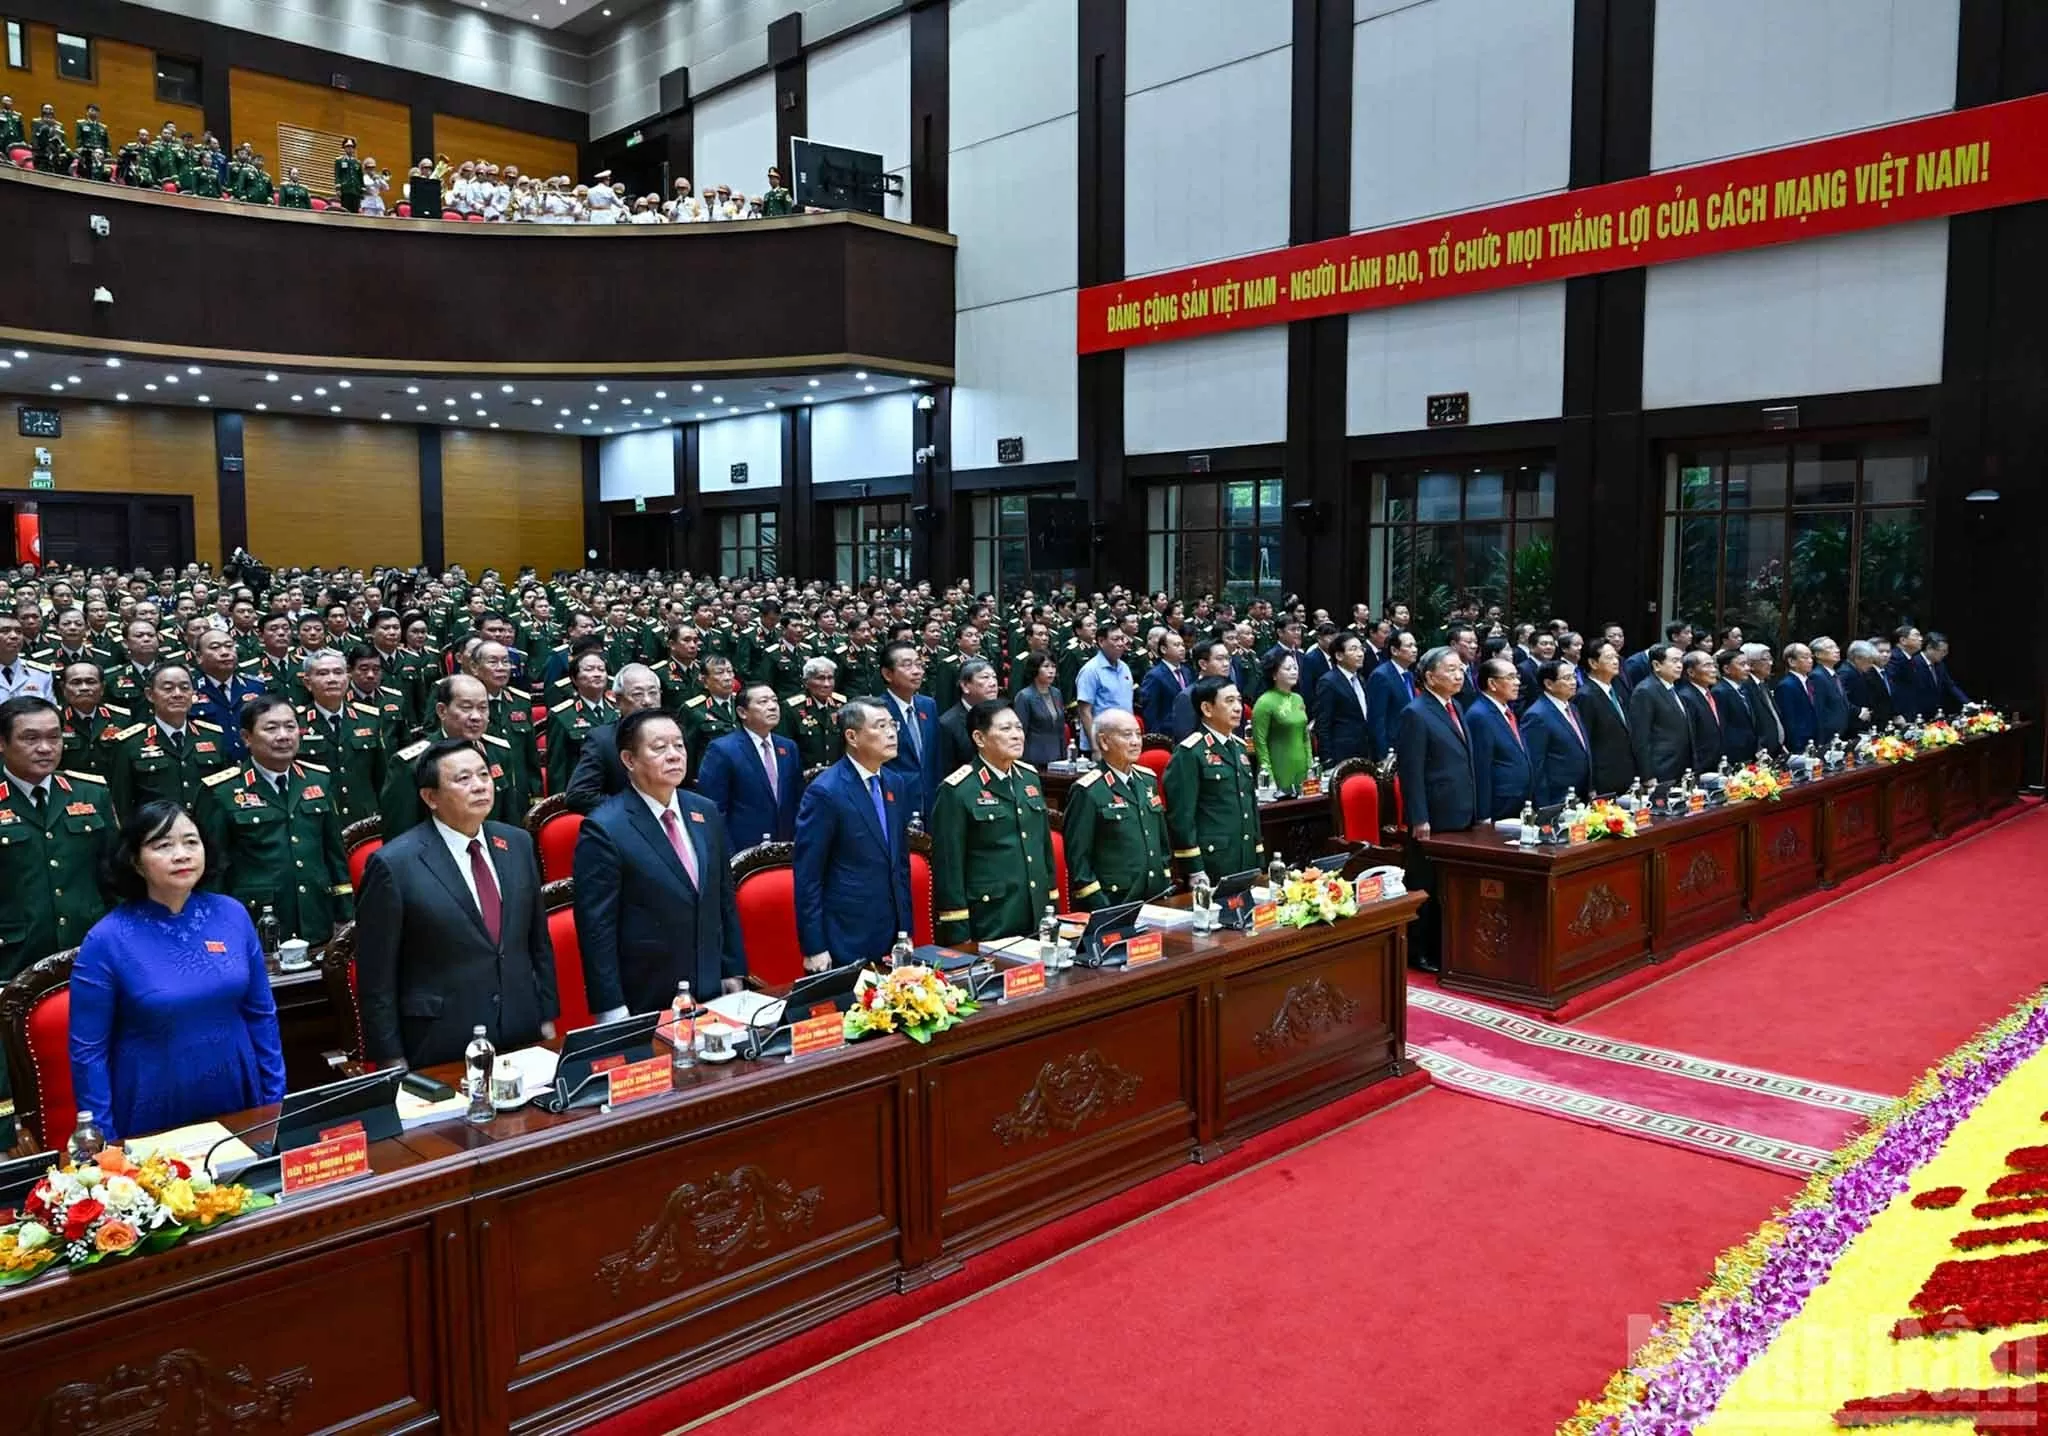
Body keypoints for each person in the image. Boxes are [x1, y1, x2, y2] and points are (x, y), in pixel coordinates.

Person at [68, 801, 285, 1143]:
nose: (181, 854)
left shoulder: (232, 915)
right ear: (136, 861)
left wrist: (274, 1101)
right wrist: (103, 1141)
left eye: (190, 841)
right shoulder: (106, 939)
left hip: (238, 1096)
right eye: (162, 845)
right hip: (152, 1106)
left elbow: (262, 1015)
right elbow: (88, 1053)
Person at [354, 739, 559, 1069]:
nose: (479, 786)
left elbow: (538, 941)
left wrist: (547, 1015)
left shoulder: (517, 843)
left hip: (521, 1026)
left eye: (483, 774)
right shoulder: (394, 864)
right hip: (440, 1039)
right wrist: (391, 1057)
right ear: (430, 797)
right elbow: (376, 973)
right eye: (463, 779)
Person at [573, 708, 747, 1020]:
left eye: (679, 746)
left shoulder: (704, 811)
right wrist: (610, 1007)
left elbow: (723, 899)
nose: (674, 755)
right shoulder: (604, 827)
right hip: (645, 993)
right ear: (629, 760)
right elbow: (596, 927)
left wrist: (732, 968)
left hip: (709, 987)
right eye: (659, 748)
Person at [196, 694, 352, 945]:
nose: (283, 736)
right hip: (257, 920)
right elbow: (213, 869)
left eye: (290, 726)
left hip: (315, 916)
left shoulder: (318, 780)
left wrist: (345, 913)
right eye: (271, 728)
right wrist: (217, 927)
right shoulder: (221, 791)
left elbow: (334, 854)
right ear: (247, 738)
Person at [0, 694, 118, 979]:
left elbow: (115, 874)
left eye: (54, 737)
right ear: (2, 743)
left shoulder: (91, 794)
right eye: (30, 738)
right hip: (13, 956)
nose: (45, 748)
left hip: (87, 949)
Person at [794, 700, 917, 969]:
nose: (891, 733)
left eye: (892, 725)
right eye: (880, 726)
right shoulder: (825, 792)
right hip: (846, 934)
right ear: (852, 736)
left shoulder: (894, 782)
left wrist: (906, 931)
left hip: (891, 932)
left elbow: (900, 862)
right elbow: (808, 876)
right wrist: (814, 946)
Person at [931, 701, 1058, 945]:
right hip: (991, 920)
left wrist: (1052, 905)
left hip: (1037, 915)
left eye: (1019, 728)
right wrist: (959, 935)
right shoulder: (958, 790)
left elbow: (1043, 849)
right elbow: (949, 868)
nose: (1016, 735)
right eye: (1006, 729)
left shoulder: (1029, 778)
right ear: (979, 738)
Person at [1060, 709, 1171, 911]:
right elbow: (1078, 859)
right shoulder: (1089, 790)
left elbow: (1161, 838)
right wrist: (1101, 905)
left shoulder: (1147, 780)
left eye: (1138, 734)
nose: (1136, 741)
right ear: (1104, 741)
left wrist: (1164, 875)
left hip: (1155, 896)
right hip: (1114, 901)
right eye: (1127, 735)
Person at [382, 676, 517, 838]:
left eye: (483, 708)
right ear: (442, 711)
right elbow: (399, 838)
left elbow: (510, 822)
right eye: (466, 708)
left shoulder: (499, 752)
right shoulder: (410, 763)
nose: (476, 716)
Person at [1163, 675, 1261, 882]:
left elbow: (1250, 805)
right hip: (1213, 860)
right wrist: (1194, 868)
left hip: (1245, 855)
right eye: (1229, 701)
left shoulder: (1240, 747)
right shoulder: (1190, 752)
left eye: (1239, 700)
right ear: (1207, 709)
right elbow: (1181, 817)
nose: (1238, 708)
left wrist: (1258, 852)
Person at [109, 665, 232, 815]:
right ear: (150, 695)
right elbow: (123, 804)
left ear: (193, 693)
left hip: (206, 833)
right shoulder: (131, 743)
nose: (178, 694)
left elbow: (225, 794)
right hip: (158, 833)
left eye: (185, 688)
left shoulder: (212, 737)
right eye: (168, 689)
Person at [697, 682, 801, 847]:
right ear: (742, 712)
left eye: (774, 700)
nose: (773, 706)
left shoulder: (788, 747)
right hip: (744, 850)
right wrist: (729, 856)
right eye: (763, 702)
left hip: (786, 846)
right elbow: (714, 810)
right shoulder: (723, 750)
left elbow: (796, 800)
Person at [1392, 646, 1478, 839]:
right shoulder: (1415, 713)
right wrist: (1419, 818)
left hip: (1464, 809)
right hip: (1437, 814)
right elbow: (1411, 771)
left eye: (1460, 669)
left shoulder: (1455, 705)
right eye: (1451, 670)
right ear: (1430, 678)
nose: (1459, 676)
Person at [565, 662, 661, 815]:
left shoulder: (674, 734)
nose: (648, 701)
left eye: (653, 692)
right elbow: (580, 796)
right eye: (637, 694)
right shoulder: (602, 740)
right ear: (617, 701)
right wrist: (636, 807)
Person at [1467, 658, 1533, 821]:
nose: (1517, 682)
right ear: (1492, 683)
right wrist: (1484, 815)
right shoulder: (1479, 715)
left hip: (1519, 800)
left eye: (1517, 676)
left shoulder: (1506, 710)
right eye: (1510, 677)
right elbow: (1480, 767)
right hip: (1499, 804)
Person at [878, 642, 939, 818]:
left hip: (929, 801)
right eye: (907, 665)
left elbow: (934, 757)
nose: (917, 671)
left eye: (919, 664)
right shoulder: (877, 711)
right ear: (887, 674)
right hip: (895, 801)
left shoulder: (928, 705)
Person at [546, 650, 618, 797]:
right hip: (582, 793)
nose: (597, 674)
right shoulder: (563, 715)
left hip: (616, 792)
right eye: (589, 669)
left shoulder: (618, 710)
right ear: (574, 678)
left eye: (601, 669)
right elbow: (557, 769)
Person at [1523, 660, 1592, 807]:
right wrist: (1544, 805)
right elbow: (1536, 765)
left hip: (1580, 793)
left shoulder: (1572, 707)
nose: (1573, 682)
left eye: (1574, 677)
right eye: (1567, 678)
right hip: (1556, 797)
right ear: (1549, 684)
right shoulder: (1537, 715)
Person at [1575, 639, 1635, 796]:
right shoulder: (1586, 695)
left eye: (1616, 657)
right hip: (1602, 779)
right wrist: (1591, 784)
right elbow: (1586, 743)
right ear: (1593, 663)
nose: (1616, 661)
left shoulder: (1616, 689)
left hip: (1623, 773)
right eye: (1609, 658)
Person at [1626, 644, 1693, 784]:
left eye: (1681, 661)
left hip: (1680, 767)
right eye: (1674, 661)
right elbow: (1640, 737)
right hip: (1661, 769)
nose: (1680, 666)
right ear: (1657, 665)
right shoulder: (1645, 691)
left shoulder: (1673, 688)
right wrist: (1647, 775)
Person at [1251, 650, 1310, 790]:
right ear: (1274, 674)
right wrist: (1268, 776)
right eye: (1288, 669)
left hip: (1303, 767)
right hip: (1279, 769)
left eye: (1295, 668)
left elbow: (1305, 737)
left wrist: (1310, 765)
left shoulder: (1298, 699)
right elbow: (1260, 743)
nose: (1294, 672)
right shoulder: (1264, 702)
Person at [1312, 632, 1373, 766]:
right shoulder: (1328, 682)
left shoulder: (1361, 679)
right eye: (1353, 649)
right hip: (1341, 754)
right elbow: (1323, 724)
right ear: (1339, 655)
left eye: (1361, 648)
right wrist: (1327, 759)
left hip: (1364, 750)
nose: (1360, 653)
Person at [1073, 627, 1134, 756]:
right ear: (1101, 641)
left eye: (1122, 639)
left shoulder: (1125, 668)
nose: (1121, 643)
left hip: (1123, 740)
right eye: (1116, 639)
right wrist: (1095, 747)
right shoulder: (1090, 670)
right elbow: (1084, 712)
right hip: (1101, 744)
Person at [939, 658, 998, 775]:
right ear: (965, 686)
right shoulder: (948, 723)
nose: (993, 683)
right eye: (985, 677)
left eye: (994, 677)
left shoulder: (1000, 714)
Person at [1012, 652, 1066, 768]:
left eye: (1053, 666)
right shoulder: (1025, 696)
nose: (1051, 671)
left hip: (1057, 757)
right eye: (1046, 666)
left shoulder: (1056, 693)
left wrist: (1064, 755)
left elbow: (1060, 728)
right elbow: (1021, 731)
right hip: (1033, 757)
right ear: (1035, 669)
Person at [1677, 651, 1726, 773]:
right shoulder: (1686, 696)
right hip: (1700, 766)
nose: (1714, 670)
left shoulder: (1708, 693)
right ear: (1691, 672)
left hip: (1715, 763)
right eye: (1707, 665)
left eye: (1714, 665)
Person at [1138, 630, 1191, 736]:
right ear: (1163, 649)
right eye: (1176, 645)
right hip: (1167, 734)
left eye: (1182, 645)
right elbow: (1150, 712)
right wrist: (1157, 739)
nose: (1182, 648)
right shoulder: (1154, 676)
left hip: (1189, 730)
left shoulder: (1187, 671)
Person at [1709, 649, 1757, 763]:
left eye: (1747, 664)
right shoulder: (1719, 691)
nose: (1747, 668)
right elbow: (1723, 727)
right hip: (1733, 753)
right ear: (1726, 669)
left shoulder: (1743, 688)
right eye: (1742, 664)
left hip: (1749, 749)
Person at [1840, 640, 1895, 736]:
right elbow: (1841, 699)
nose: (1871, 665)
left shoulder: (1859, 672)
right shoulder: (1846, 673)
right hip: (1852, 724)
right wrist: (1858, 711)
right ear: (1858, 658)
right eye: (1869, 661)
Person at [0, 612, 54, 701]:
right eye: (5, 631)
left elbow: (50, 711)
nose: (14, 636)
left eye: (19, 631)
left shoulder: (41, 674)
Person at [333, 136, 364, 213]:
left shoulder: (357, 163)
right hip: (346, 189)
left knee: (355, 211)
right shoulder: (339, 160)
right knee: (345, 210)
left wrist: (362, 190)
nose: (350, 149)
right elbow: (337, 175)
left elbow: (360, 178)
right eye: (347, 147)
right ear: (344, 148)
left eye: (351, 147)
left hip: (355, 190)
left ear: (354, 148)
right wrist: (338, 189)